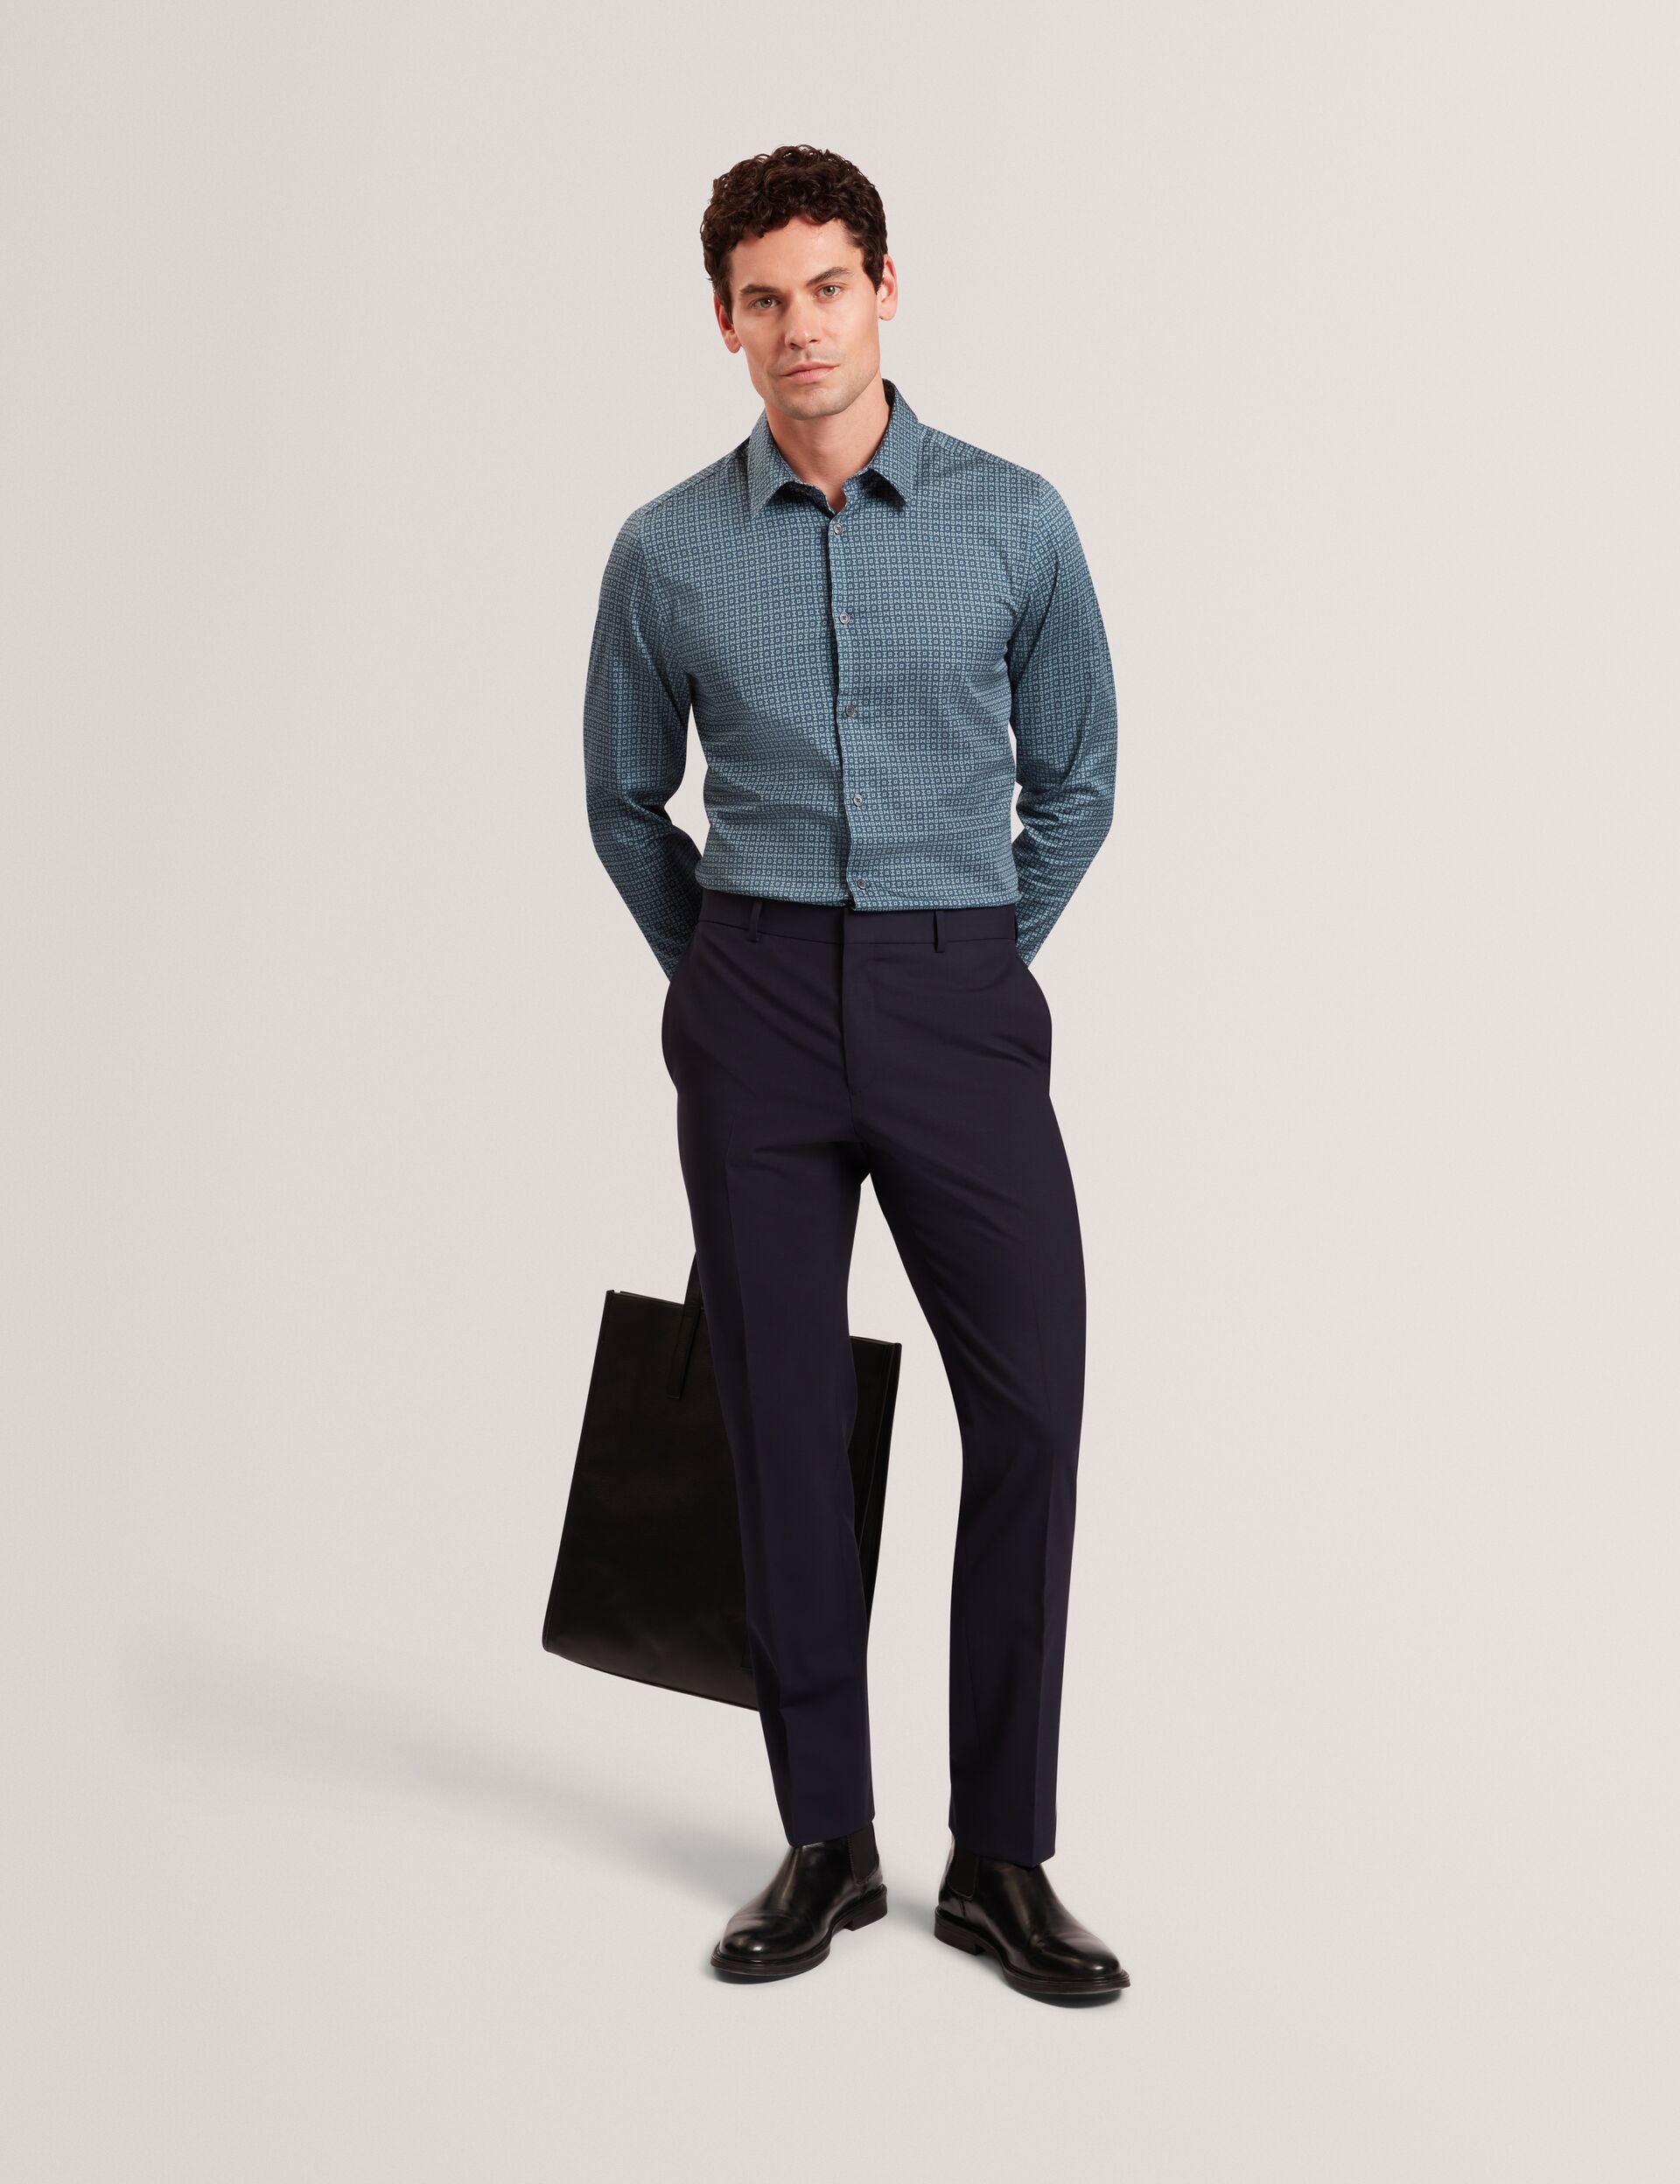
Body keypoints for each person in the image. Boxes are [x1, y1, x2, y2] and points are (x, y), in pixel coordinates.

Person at [584, 143, 1129, 2003]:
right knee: (780, 1423)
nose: (799, 327)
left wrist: (963, 954)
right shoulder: (668, 549)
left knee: (1032, 1413)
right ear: (723, 322)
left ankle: (1002, 1858)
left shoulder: (1012, 522)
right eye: (764, 299)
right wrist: (727, 974)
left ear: (886, 290)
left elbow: (1078, 781)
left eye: (828, 287)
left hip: (956, 999)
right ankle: (827, 1837)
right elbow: (624, 798)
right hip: (751, 1004)